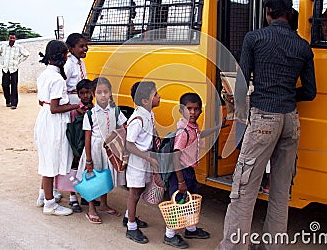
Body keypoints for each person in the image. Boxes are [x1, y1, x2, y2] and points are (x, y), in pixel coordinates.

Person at [218, 0, 317, 250]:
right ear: (289, 12)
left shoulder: (255, 38)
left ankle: (234, 246)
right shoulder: (303, 46)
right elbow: (310, 92)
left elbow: (241, 85)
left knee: (244, 188)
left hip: (263, 120)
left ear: (268, 11)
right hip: (290, 122)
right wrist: (285, 93)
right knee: (281, 192)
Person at [164, 92, 227, 249]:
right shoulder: (182, 132)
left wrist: (217, 128)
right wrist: (180, 181)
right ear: (181, 110)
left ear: (200, 111)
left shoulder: (192, 128)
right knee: (178, 203)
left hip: (189, 171)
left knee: (190, 201)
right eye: (188, 108)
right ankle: (169, 235)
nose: (192, 112)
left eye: (196, 109)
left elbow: (199, 135)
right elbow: (175, 158)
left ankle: (190, 229)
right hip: (181, 173)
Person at [34, 40, 80, 216]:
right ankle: (49, 204)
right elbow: (55, 108)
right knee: (50, 163)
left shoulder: (44, 74)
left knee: (48, 158)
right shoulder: (57, 79)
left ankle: (43, 195)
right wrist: (74, 107)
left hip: (44, 119)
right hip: (53, 121)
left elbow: (43, 102)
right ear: (62, 56)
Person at [76, 77, 127, 224]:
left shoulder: (116, 111)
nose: (103, 95)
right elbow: (87, 138)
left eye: (106, 91)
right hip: (95, 149)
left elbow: (125, 127)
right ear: (93, 94)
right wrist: (89, 160)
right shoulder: (90, 114)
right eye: (99, 92)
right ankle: (92, 208)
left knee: (105, 177)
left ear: (110, 93)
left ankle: (104, 204)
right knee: (93, 178)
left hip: (109, 150)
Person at [124, 81, 160, 244]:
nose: (159, 97)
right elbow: (129, 144)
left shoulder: (148, 114)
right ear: (145, 101)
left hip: (145, 159)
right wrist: (148, 158)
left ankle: (128, 216)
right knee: (134, 192)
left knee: (139, 190)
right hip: (137, 162)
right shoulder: (138, 119)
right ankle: (131, 227)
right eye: (156, 94)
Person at [67, 78, 93, 213]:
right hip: (77, 145)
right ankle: (72, 197)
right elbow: (71, 130)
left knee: (85, 170)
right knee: (74, 169)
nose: (85, 96)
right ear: (78, 95)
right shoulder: (75, 111)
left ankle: (84, 194)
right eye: (82, 93)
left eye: (88, 92)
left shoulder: (94, 109)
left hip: (88, 146)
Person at [0, 32, 30, 109]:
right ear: (8, 38)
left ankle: (14, 103)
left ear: (15, 39)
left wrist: (18, 61)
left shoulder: (18, 47)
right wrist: (2, 61)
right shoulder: (4, 46)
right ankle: (8, 100)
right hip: (5, 69)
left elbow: (27, 54)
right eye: (11, 38)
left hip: (14, 69)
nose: (12, 39)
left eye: (13, 38)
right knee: (4, 85)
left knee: (14, 86)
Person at [64, 33, 88, 105]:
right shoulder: (68, 64)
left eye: (86, 45)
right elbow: (62, 86)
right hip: (72, 102)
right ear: (71, 48)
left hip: (81, 101)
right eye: (81, 46)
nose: (85, 48)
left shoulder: (81, 62)